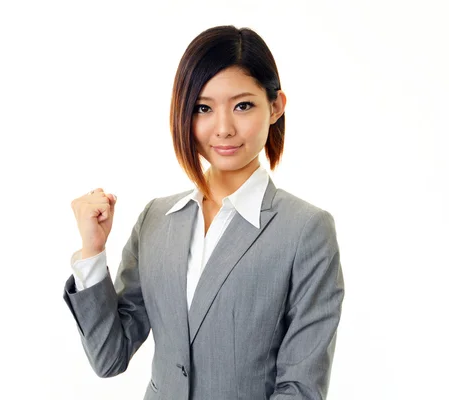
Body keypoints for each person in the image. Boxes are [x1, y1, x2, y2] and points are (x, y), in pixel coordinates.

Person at [64, 25, 345, 400]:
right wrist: (92, 252)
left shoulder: (306, 230)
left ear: (275, 106)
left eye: (243, 105)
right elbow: (109, 357)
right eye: (203, 108)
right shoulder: (156, 219)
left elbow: (301, 387)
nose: (224, 128)